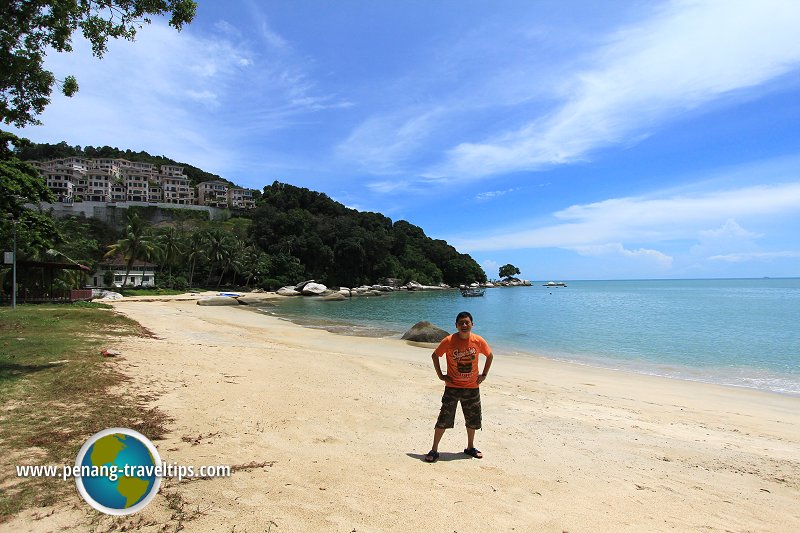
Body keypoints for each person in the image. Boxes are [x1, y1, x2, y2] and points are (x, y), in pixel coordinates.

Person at [425, 311, 494, 463]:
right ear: (456, 325)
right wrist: (441, 375)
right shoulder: (449, 340)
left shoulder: (478, 341)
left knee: (472, 419)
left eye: (466, 322)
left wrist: (484, 375)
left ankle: (470, 447)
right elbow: (435, 355)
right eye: (461, 323)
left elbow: (489, 356)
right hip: (452, 387)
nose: (464, 325)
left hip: (472, 387)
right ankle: (434, 449)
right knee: (444, 418)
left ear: (472, 324)